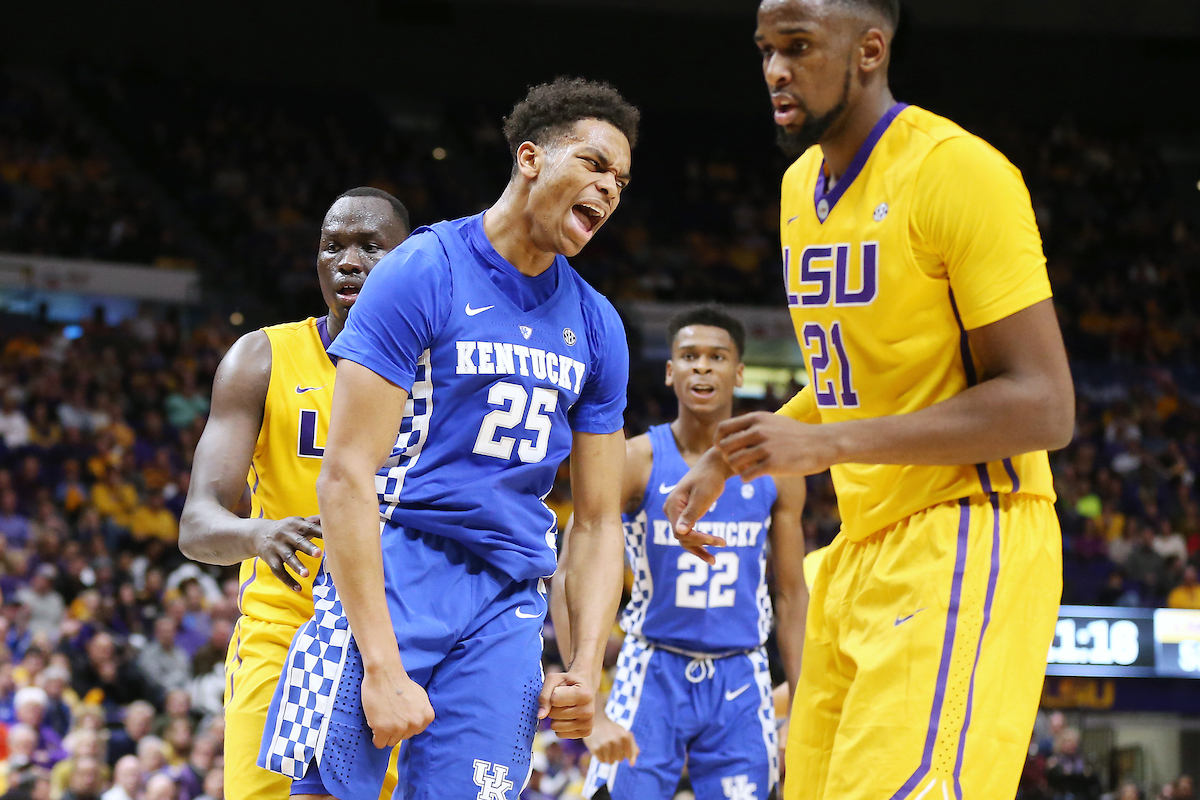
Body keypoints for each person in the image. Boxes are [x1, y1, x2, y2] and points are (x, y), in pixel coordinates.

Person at [667, 2, 1075, 798]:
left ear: (869, 50)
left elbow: (1044, 404)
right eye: (764, 51)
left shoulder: (958, 171)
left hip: (965, 533)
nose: (775, 71)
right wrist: (730, 455)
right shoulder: (796, 188)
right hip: (857, 551)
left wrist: (824, 449)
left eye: (797, 47)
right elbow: (848, 380)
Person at [258, 77, 637, 800]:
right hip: (392, 568)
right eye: (593, 163)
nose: (610, 187)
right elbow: (345, 474)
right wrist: (380, 665)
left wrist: (586, 667)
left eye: (620, 178)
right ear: (531, 158)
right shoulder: (422, 269)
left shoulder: (598, 325)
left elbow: (595, 519)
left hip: (505, 601)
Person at [178, 187, 411, 800]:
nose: (348, 261)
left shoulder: (443, 371)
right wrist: (257, 533)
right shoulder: (262, 357)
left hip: (401, 642)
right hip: (286, 631)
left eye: (370, 246)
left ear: (408, 260)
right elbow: (197, 524)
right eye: (332, 246)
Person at [553, 307, 807, 800]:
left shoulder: (779, 469)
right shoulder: (634, 460)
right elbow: (568, 575)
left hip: (742, 672)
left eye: (717, 357)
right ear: (670, 372)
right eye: (689, 356)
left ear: (739, 373)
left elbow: (792, 595)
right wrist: (592, 709)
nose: (702, 367)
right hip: (652, 669)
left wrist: (801, 700)